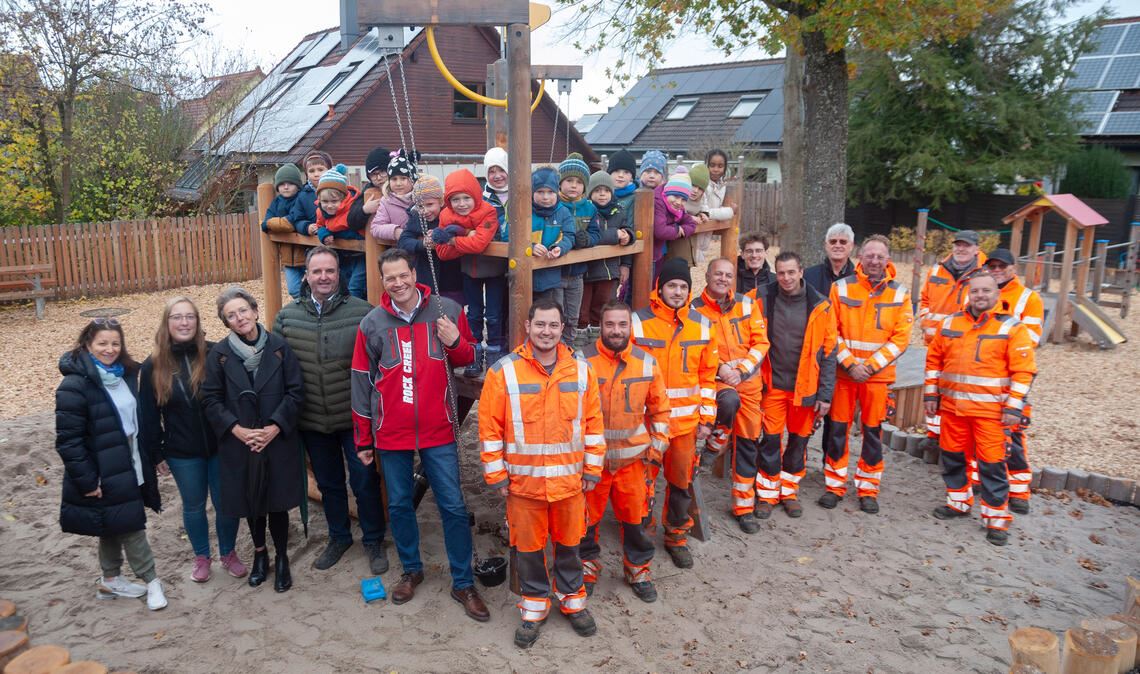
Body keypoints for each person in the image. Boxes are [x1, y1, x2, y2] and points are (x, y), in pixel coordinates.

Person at [351, 248, 489, 623]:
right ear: (383, 281)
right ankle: (411, 569)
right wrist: (363, 439)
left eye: (402, 275)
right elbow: (362, 384)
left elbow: (469, 359)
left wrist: (455, 340)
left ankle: (463, 582)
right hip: (391, 432)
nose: (397, 283)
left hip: (438, 427)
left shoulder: (446, 311)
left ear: (415, 273)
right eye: (390, 278)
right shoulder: (372, 323)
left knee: (453, 505)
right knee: (398, 505)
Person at [479, 299, 605, 648]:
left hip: (570, 483)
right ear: (527, 327)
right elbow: (489, 429)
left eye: (553, 325)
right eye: (540, 325)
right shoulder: (503, 372)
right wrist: (497, 476)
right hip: (523, 484)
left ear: (562, 328)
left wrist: (593, 469)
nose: (546, 332)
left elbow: (594, 424)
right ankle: (534, 608)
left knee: (570, 545)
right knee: (529, 550)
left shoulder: (581, 370)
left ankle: (572, 602)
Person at [273, 246, 387, 574]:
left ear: (340, 274)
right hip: (311, 419)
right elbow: (278, 370)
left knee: (365, 480)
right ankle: (339, 536)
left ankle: (374, 538)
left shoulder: (363, 313)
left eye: (330, 271)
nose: (324, 277)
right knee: (328, 483)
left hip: (353, 418)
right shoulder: (286, 318)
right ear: (306, 276)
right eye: (317, 271)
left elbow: (381, 366)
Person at [56, 319, 167, 611]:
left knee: (112, 521)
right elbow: (69, 441)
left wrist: (151, 456)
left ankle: (110, 579)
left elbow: (137, 421)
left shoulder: (126, 374)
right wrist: (88, 481)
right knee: (131, 524)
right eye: (102, 343)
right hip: (103, 467)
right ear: (87, 345)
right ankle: (152, 580)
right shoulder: (74, 385)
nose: (110, 349)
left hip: (130, 460)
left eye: (115, 343)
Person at [202, 286, 305, 592]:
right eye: (231, 315)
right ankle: (261, 554)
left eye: (243, 310)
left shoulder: (279, 348)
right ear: (226, 322)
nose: (239, 318)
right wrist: (237, 429)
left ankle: (282, 557)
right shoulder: (219, 356)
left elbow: (296, 392)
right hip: (240, 441)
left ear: (255, 311)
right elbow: (210, 400)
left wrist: (275, 427)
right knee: (252, 501)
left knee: (277, 502)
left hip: (276, 439)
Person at [139, 297, 246, 584]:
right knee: (194, 505)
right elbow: (148, 414)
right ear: (167, 323)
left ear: (198, 322)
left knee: (226, 503)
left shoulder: (214, 354)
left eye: (190, 317)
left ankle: (228, 553)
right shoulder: (153, 366)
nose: (184, 322)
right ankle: (202, 556)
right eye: (177, 317)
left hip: (220, 445)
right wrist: (156, 452)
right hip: (182, 451)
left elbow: (233, 397)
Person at [927, 272, 1036, 546]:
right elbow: (934, 361)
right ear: (968, 293)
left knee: (992, 467)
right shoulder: (950, 323)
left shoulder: (1011, 328)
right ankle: (958, 503)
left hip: (991, 415)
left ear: (997, 294)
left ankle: (996, 521)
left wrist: (1014, 407)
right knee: (952, 460)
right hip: (952, 411)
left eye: (986, 291)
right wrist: (931, 394)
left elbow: (1024, 372)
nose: (980, 296)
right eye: (975, 291)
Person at [579, 300, 670, 603]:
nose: (616, 330)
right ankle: (587, 568)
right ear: (600, 326)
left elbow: (660, 411)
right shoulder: (582, 361)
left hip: (634, 462)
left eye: (622, 325)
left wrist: (654, 454)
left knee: (636, 522)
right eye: (610, 324)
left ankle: (638, 570)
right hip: (593, 464)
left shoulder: (646, 362)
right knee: (585, 522)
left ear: (630, 327)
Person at [632, 258, 718, 568]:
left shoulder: (704, 325)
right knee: (642, 483)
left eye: (683, 286)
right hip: (646, 424)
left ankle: (676, 537)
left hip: (685, 425)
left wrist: (707, 419)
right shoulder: (637, 323)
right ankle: (642, 535)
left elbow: (708, 379)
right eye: (672, 285)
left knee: (681, 483)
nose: (678, 291)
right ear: (660, 287)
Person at [825, 235, 912, 514]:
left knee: (873, 434)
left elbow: (901, 338)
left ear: (888, 259)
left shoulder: (900, 294)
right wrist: (850, 364)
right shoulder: (840, 288)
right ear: (860, 257)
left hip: (878, 378)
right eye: (870, 255)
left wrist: (870, 367)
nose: (874, 261)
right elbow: (831, 331)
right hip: (844, 375)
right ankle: (834, 485)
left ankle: (868, 488)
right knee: (838, 431)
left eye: (880, 256)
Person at [689, 258, 769, 533]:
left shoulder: (747, 304)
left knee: (748, 445)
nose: (723, 279)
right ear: (708, 276)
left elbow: (761, 342)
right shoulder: (694, 309)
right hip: (716, 381)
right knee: (726, 404)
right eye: (718, 274)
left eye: (728, 275)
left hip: (749, 384)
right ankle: (714, 443)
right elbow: (694, 349)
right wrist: (722, 369)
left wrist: (743, 370)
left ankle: (744, 507)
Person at [756, 253, 837, 518]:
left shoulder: (821, 305)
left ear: (801, 271)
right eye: (781, 273)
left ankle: (788, 492)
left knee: (798, 443)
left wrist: (825, 395)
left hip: (806, 389)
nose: (786, 278)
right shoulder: (761, 298)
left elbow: (828, 354)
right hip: (773, 386)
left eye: (791, 272)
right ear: (775, 273)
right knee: (769, 441)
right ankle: (767, 494)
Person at [984, 248, 1044, 514]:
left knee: (1014, 431)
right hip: (983, 374)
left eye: (1001, 266)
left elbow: (1031, 339)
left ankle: (1019, 490)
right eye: (992, 266)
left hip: (1012, 373)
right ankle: (980, 482)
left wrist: (996, 344)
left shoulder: (1028, 298)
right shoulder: (980, 293)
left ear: (1013, 268)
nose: (996, 270)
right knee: (982, 430)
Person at [432, 168, 506, 377]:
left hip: (493, 270)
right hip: (468, 271)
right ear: (449, 201)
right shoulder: (446, 215)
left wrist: (454, 238)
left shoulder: (488, 211)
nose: (462, 204)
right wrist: (466, 235)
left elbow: (479, 243)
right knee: (473, 314)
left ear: (475, 195)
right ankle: (475, 353)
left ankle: (495, 352)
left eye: (466, 198)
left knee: (493, 314)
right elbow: (442, 252)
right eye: (456, 199)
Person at [919, 230, 987, 447]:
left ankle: (954, 440)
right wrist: (926, 323)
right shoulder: (936, 270)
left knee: (956, 390)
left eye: (966, 245)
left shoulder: (983, 275)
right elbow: (924, 300)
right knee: (933, 387)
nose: (961, 249)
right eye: (958, 245)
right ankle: (933, 434)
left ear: (976, 249)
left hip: (965, 345)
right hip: (935, 341)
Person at [579, 171, 634, 342]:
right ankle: (580, 339)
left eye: (606, 190)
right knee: (583, 309)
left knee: (602, 307)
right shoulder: (586, 212)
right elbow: (589, 237)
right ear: (589, 193)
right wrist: (615, 235)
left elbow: (629, 231)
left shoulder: (618, 211)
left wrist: (628, 236)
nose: (602, 194)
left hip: (609, 271)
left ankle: (598, 338)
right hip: (587, 271)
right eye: (597, 191)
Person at [398, 174, 464, 306]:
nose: (425, 211)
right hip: (426, 276)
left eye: (430, 205)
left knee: (453, 310)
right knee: (429, 311)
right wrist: (422, 244)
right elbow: (403, 241)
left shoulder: (450, 216)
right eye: (420, 206)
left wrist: (440, 236)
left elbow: (460, 230)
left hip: (451, 277)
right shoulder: (416, 219)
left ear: (441, 202)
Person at [559, 152, 599, 346]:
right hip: (556, 271)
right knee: (557, 314)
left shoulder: (589, 208)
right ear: (560, 183)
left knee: (573, 314)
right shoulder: (555, 205)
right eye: (568, 180)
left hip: (577, 273)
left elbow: (596, 234)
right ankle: (555, 347)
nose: (573, 185)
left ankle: (569, 346)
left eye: (578, 182)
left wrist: (587, 239)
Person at [312, 164, 369, 299]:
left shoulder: (352, 208)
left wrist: (334, 232)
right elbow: (320, 226)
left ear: (343, 198)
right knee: (341, 285)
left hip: (361, 255)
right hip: (342, 255)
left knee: (356, 286)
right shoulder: (321, 211)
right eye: (325, 201)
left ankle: (357, 315)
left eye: (334, 201)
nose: (329, 205)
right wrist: (324, 234)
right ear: (319, 200)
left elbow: (353, 225)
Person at [529, 166, 575, 307]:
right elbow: (509, 236)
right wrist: (531, 247)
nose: (545, 197)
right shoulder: (523, 210)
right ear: (532, 192)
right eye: (540, 192)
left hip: (551, 277)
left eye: (550, 192)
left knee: (551, 312)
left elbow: (569, 236)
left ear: (557, 192)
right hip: (523, 277)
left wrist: (559, 248)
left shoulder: (563, 212)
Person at [289, 151, 333, 297]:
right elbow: (297, 218)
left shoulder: (337, 189)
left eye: (320, 170)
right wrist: (306, 226)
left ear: (329, 170)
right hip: (312, 246)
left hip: (336, 243)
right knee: (311, 284)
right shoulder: (303, 195)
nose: (316, 174)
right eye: (311, 171)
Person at [652, 167, 698, 273]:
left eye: (683, 199)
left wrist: (682, 229)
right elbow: (660, 231)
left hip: (659, 251)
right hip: (649, 251)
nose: (678, 202)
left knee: (655, 282)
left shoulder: (677, 209)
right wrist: (677, 230)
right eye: (676, 196)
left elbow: (691, 223)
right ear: (667, 192)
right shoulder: (658, 203)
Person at [370, 150, 418, 243]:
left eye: (403, 178)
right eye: (394, 179)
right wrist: (395, 231)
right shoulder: (387, 201)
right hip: (400, 250)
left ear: (413, 180)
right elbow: (375, 228)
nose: (398, 183)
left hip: (423, 248)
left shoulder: (421, 197)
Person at [803, 223, 856, 297]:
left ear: (851, 246)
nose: (837, 245)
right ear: (826, 245)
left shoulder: (859, 278)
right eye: (833, 242)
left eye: (843, 242)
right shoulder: (807, 276)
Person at [702, 149, 737, 220]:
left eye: (720, 166)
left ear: (725, 168)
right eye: (712, 165)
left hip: (712, 229)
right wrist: (730, 211)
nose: (716, 169)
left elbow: (717, 208)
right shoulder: (701, 185)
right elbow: (704, 212)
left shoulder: (722, 186)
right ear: (706, 165)